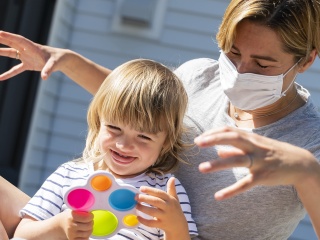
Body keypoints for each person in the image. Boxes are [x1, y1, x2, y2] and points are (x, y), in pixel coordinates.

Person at [0, 0, 320, 239]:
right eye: (233, 53)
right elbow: (138, 110)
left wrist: (307, 172)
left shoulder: (311, 141)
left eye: (263, 65)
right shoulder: (201, 76)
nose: (240, 72)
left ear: (306, 60)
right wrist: (65, 61)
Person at [12, 59, 198, 240]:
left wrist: (176, 228)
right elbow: (22, 233)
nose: (124, 145)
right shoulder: (68, 175)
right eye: (114, 129)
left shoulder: (164, 191)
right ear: (98, 122)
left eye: (144, 137)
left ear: (165, 143)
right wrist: (59, 226)